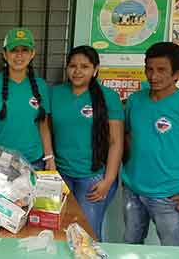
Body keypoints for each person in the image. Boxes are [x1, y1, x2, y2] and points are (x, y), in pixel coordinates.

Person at [50, 45, 124, 241]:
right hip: (61, 176)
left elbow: (116, 141)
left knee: (88, 235)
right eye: (73, 66)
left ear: (95, 69)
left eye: (84, 66)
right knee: (59, 232)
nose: (77, 71)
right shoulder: (55, 94)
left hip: (93, 178)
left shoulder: (109, 97)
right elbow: (45, 128)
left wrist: (108, 180)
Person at [122, 42, 179, 246]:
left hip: (171, 196)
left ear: (177, 73)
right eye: (149, 69)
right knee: (130, 244)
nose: (153, 76)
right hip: (133, 190)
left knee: (172, 251)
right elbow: (127, 135)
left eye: (161, 70)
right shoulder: (135, 100)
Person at [0, 28, 55, 170]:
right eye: (14, 50)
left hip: (35, 162)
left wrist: (49, 157)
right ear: (5, 54)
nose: (19, 55)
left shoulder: (41, 86)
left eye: (25, 50)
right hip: (1, 163)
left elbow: (43, 126)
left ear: (32, 54)